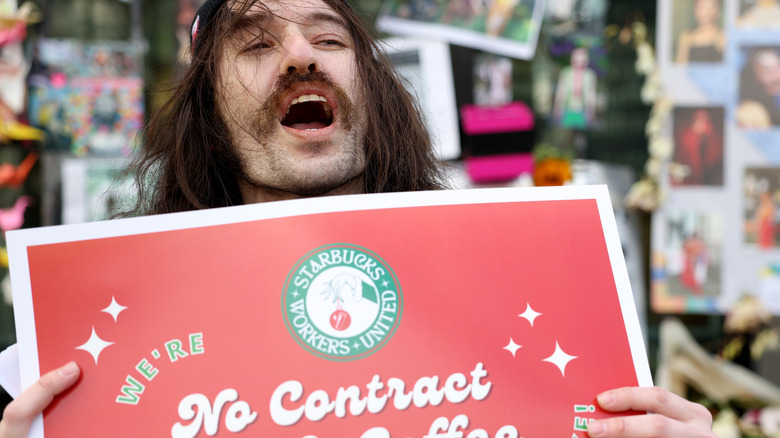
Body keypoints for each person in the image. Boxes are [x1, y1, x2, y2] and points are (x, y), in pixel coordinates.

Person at [0, 1, 717, 437]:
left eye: (330, 38)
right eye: (255, 44)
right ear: (210, 119)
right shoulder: (96, 355)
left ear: (373, 95)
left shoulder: (518, 311)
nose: (300, 55)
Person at [738, 47, 780, 128]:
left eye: (777, 68)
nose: (774, 75)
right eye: (767, 71)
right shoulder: (751, 108)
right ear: (757, 74)